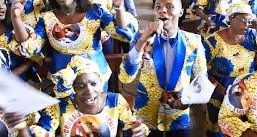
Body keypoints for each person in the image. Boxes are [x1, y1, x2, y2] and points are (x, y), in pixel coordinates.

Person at [9, 0, 135, 97]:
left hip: (95, 80)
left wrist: (119, 8)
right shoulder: (46, 18)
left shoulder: (95, 11)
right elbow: (30, 46)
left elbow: (121, 34)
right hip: (62, 83)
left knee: (93, 116)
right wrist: (16, 17)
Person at [119, 0, 213, 136]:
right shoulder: (141, 38)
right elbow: (125, 78)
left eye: (169, 7)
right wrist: (142, 41)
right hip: (146, 115)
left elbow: (201, 79)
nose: (162, 10)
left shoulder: (194, 42)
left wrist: (187, 98)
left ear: (181, 12)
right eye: (158, 7)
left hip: (178, 116)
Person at [1, 56, 150, 136]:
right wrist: (22, 129)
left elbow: (133, 130)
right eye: (79, 86)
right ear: (72, 89)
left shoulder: (116, 101)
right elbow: (42, 133)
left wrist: (139, 131)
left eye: (93, 84)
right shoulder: (59, 106)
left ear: (101, 82)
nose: (89, 91)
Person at [202, 3, 257, 135]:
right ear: (231, 18)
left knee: (240, 127)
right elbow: (201, 69)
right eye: (243, 20)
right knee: (216, 126)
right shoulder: (213, 41)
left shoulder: (253, 36)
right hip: (219, 90)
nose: (247, 25)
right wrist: (218, 88)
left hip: (245, 91)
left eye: (250, 21)